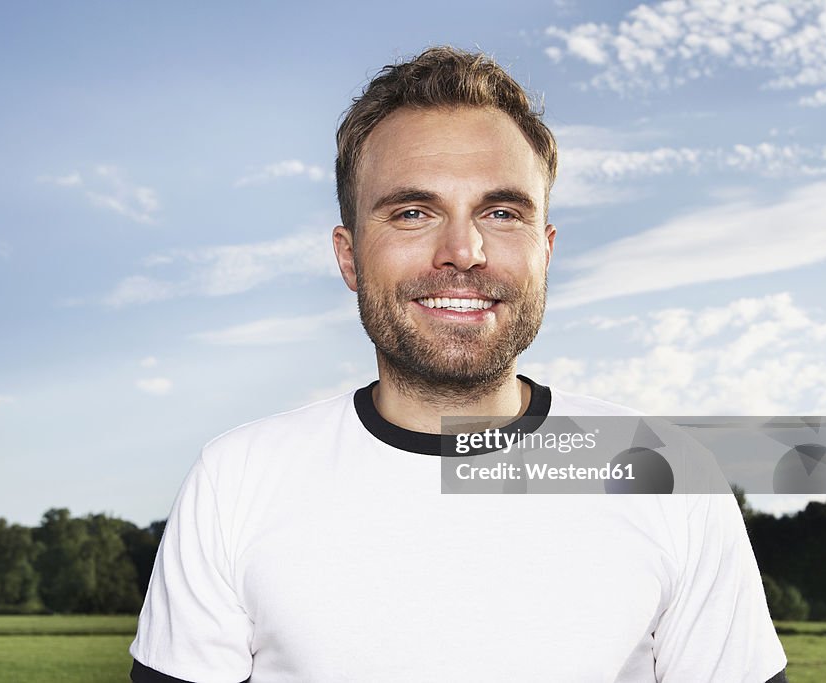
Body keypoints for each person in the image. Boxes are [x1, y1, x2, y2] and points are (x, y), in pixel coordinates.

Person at [129, 46, 788, 682]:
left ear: (546, 250)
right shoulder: (236, 479)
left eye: (501, 211)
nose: (463, 250)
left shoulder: (664, 472)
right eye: (414, 212)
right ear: (349, 256)